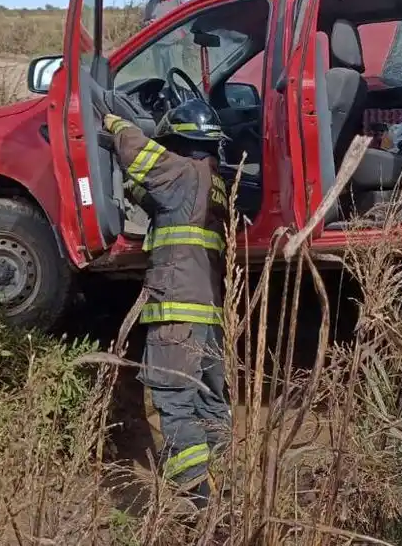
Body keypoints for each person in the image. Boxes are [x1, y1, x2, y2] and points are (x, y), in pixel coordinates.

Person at [103, 99, 231, 510]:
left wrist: (115, 121)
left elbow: (139, 155)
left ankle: (201, 506)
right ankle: (226, 489)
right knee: (211, 405)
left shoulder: (179, 172)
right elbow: (159, 198)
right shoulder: (211, 182)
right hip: (210, 319)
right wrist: (132, 189)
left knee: (174, 406)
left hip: (177, 312)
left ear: (177, 142)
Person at [141, 0, 188, 77]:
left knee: (177, 78)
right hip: (157, 47)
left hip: (174, 47)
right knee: (161, 80)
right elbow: (144, 22)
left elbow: (190, 20)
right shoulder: (152, 3)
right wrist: (149, 24)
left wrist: (182, 33)